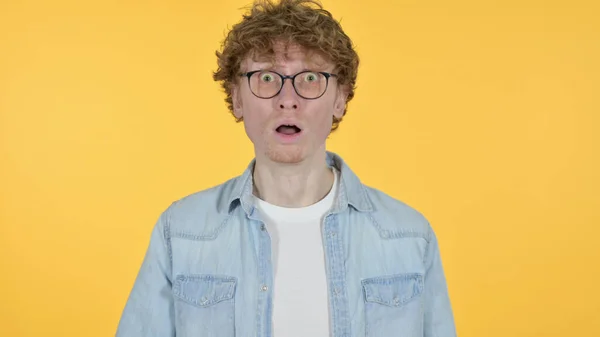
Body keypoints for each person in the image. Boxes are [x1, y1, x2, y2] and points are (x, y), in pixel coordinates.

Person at [116, 0, 456, 336]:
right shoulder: (181, 232)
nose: (288, 99)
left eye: (310, 77)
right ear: (236, 98)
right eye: (266, 77)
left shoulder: (409, 236)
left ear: (340, 99)